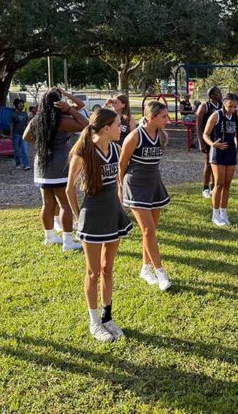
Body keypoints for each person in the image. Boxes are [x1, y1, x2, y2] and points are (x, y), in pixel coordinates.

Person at [67, 108, 133, 342]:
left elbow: (118, 181)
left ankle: (107, 317)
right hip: (92, 215)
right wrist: (78, 217)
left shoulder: (116, 148)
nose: (121, 128)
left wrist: (120, 204)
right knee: (93, 272)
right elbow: (69, 189)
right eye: (117, 124)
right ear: (106, 128)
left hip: (112, 213)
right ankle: (94, 322)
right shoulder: (84, 152)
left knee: (107, 269)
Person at [23, 88, 87, 251]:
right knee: (64, 204)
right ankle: (68, 242)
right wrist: (69, 109)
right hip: (59, 163)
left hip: (42, 163)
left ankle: (49, 237)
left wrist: (42, 144)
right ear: (58, 102)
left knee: (47, 203)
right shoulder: (62, 120)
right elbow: (85, 124)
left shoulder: (37, 120)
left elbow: (26, 136)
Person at [119, 101, 172, 291]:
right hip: (135, 185)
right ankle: (161, 273)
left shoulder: (162, 135)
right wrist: (120, 188)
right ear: (151, 117)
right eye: (164, 117)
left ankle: (145, 268)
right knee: (149, 230)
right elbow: (122, 164)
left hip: (154, 184)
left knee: (150, 232)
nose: (168, 120)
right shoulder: (134, 136)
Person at [203, 93, 238, 226]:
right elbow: (205, 134)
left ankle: (224, 212)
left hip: (231, 152)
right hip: (218, 152)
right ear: (224, 103)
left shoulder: (235, 115)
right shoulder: (216, 115)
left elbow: (235, 133)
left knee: (227, 184)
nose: (232, 109)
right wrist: (213, 144)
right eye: (230, 106)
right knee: (218, 184)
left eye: (235, 107)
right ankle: (215, 214)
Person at [195, 87, 222, 198]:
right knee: (208, 163)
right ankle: (205, 188)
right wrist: (200, 142)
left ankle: (213, 186)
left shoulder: (222, 105)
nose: (220, 94)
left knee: (217, 163)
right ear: (212, 95)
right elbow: (198, 126)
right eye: (218, 92)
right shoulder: (204, 106)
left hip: (218, 138)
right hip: (207, 138)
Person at [11, 99, 31, 170]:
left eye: (23, 105)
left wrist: (28, 133)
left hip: (24, 135)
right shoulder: (13, 114)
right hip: (16, 134)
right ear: (16, 105)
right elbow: (11, 125)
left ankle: (26, 165)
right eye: (20, 105)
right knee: (17, 150)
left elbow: (26, 124)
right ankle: (18, 163)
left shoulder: (25, 114)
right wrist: (11, 134)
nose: (22, 107)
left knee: (24, 150)